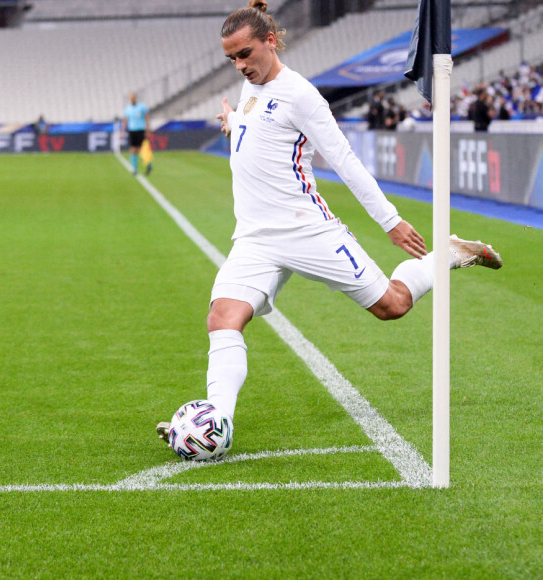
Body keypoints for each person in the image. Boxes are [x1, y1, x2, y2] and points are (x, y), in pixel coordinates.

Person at [157, 0, 502, 446]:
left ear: (270, 40)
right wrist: (233, 123)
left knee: (392, 306)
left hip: (309, 231)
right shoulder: (250, 88)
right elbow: (258, 130)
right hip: (255, 239)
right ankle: (215, 422)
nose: (240, 65)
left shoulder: (300, 94)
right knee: (222, 318)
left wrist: (390, 222)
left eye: (245, 54)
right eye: (232, 59)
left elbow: (345, 160)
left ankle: (452, 253)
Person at [122, 92, 152, 176]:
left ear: (136, 98)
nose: (132, 99)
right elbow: (125, 121)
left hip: (141, 130)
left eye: (133, 97)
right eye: (131, 98)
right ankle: (134, 169)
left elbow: (147, 119)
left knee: (142, 150)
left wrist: (147, 130)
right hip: (132, 131)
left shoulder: (142, 107)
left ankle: (149, 165)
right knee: (133, 150)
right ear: (129, 99)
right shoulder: (127, 108)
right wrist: (122, 132)